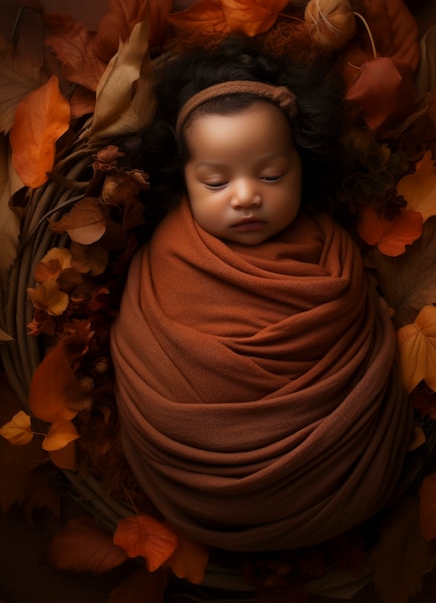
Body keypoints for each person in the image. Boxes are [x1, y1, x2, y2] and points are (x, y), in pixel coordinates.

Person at [109, 36, 414, 553]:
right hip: (197, 476)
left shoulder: (333, 253)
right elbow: (146, 355)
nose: (247, 195)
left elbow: (363, 346)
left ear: (302, 164)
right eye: (214, 181)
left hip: (338, 466)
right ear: (183, 181)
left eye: (271, 174)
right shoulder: (166, 258)